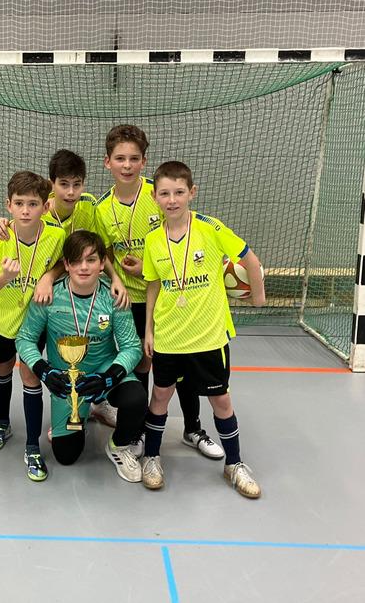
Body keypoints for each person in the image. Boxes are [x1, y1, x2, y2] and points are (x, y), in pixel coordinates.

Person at [95, 125, 222, 460]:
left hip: (169, 296)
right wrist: (116, 276)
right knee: (140, 363)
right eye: (120, 158)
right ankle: (138, 430)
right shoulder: (102, 208)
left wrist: (150, 269)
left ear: (144, 161)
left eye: (133, 158)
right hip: (128, 300)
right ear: (107, 162)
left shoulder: (161, 194)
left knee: (181, 365)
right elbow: (103, 251)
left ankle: (193, 428)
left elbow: (184, 237)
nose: (127, 165)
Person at [142, 161, 265, 498]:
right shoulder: (153, 240)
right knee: (160, 396)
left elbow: (250, 259)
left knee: (220, 399)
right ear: (155, 197)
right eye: (164, 193)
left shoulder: (211, 228)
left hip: (208, 336)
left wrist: (258, 298)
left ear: (191, 193)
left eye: (179, 192)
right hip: (169, 336)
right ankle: (151, 457)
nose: (172, 200)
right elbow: (153, 285)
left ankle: (234, 464)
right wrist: (149, 330)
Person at [0, 149, 128, 428]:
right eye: (64, 184)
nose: (71, 192)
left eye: (77, 184)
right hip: (41, 298)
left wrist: (116, 278)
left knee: (85, 347)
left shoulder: (89, 207)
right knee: (34, 363)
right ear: (52, 185)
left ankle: (96, 403)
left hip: (74, 291)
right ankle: (48, 415)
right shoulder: (40, 210)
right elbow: (15, 220)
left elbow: (102, 248)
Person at [16, 231, 147, 483]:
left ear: (102, 264)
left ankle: (118, 446)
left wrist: (110, 377)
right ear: (66, 264)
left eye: (91, 260)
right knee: (66, 456)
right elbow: (24, 339)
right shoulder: (48, 296)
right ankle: (81, 411)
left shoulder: (114, 296)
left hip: (103, 370)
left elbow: (132, 347)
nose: (83, 267)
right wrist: (44, 371)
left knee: (136, 399)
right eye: (76, 261)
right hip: (65, 378)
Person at [0, 171, 66, 480]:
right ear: (8, 205)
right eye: (19, 203)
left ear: (45, 206)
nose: (26, 210)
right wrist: (5, 277)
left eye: (33, 204)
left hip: (35, 322)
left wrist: (48, 276)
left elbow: (63, 263)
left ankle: (32, 446)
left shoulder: (55, 236)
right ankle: (2, 422)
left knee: (29, 375)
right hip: (3, 320)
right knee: (3, 368)